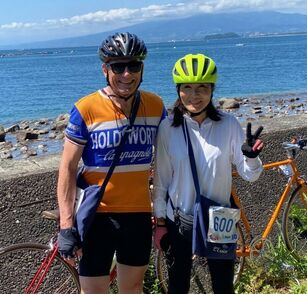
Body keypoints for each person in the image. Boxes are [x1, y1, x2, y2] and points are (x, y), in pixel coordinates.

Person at [57, 32, 166, 294]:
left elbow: (168, 160)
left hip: (138, 214)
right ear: (105, 69)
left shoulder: (155, 105)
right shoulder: (86, 108)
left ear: (142, 68)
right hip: (98, 217)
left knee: (133, 288)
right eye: (118, 66)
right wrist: (66, 225)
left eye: (134, 66)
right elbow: (68, 168)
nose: (126, 74)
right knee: (94, 291)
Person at [152, 53, 264, 294]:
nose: (195, 95)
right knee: (177, 284)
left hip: (220, 217)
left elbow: (250, 175)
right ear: (178, 90)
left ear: (212, 89)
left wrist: (250, 157)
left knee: (223, 285)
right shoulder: (168, 128)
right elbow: (161, 179)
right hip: (179, 219)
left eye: (202, 87)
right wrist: (160, 222)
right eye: (187, 88)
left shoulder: (229, 124)